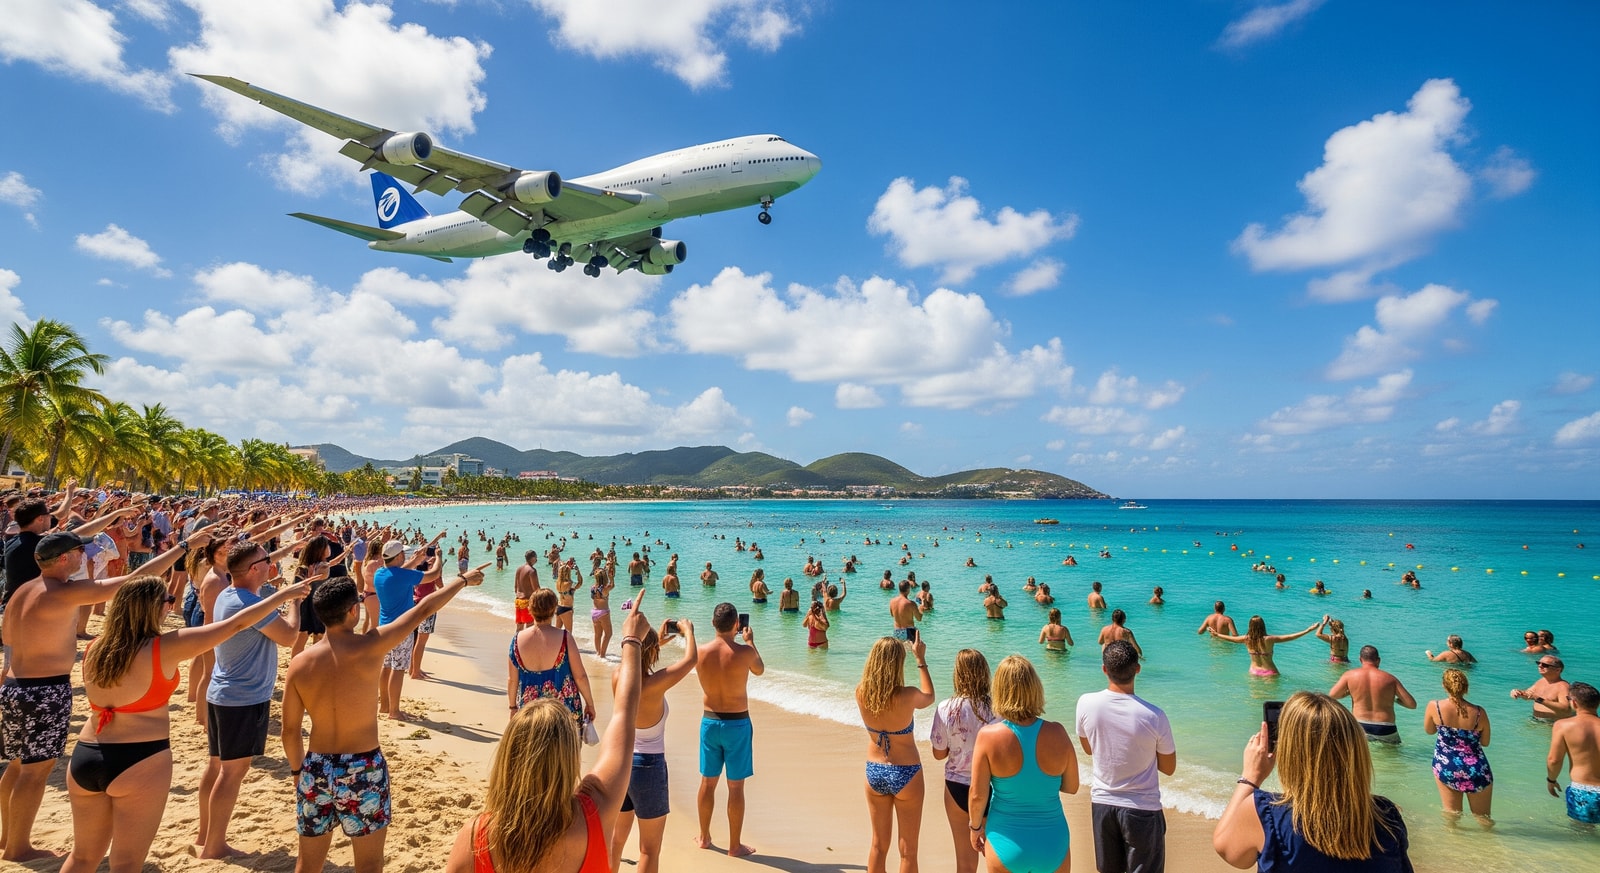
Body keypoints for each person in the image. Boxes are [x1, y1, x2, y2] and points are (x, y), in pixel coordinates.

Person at [59, 572, 304, 873]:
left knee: (82, 857)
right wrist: (283, 596)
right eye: (168, 600)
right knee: (126, 862)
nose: (171, 605)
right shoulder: (165, 647)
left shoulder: (97, 647)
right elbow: (236, 624)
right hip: (139, 759)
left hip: (86, 754)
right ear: (151, 607)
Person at [1, 528, 195, 863]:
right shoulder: (61, 592)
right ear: (65, 559)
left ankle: (7, 837)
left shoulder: (22, 591)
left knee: (15, 766)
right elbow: (136, 579)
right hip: (44, 689)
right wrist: (184, 546)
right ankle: (18, 846)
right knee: (35, 771)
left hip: (13, 686)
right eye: (80, 552)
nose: (84, 557)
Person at [286, 567, 484, 873]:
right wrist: (463, 580)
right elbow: (424, 608)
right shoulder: (370, 645)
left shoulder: (299, 664)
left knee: (308, 864)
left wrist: (300, 771)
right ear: (354, 610)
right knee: (368, 864)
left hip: (316, 767)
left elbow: (289, 731)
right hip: (363, 768)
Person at [446, 600, 651, 873]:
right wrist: (632, 641)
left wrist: (512, 707)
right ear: (568, 754)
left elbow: (512, 680)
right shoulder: (595, 815)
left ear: (510, 754)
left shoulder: (475, 838)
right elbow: (625, 713)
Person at [1213, 691, 1412, 870]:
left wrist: (1250, 777)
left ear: (1290, 751)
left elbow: (1227, 850)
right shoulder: (1386, 814)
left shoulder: (1267, 813)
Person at [194, 540, 305, 859]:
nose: (271, 563)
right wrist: (295, 603)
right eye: (266, 560)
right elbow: (288, 637)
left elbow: (266, 613)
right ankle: (214, 846)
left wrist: (285, 594)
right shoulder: (244, 601)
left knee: (217, 766)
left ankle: (205, 836)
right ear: (255, 569)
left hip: (224, 693)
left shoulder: (230, 593)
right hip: (242, 699)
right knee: (231, 774)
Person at [1075, 640, 1177, 873]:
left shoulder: (1085, 703)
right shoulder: (1154, 715)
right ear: (1138, 669)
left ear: (1104, 669)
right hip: (1142, 808)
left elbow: (1089, 748)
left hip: (1102, 803)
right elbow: (1168, 767)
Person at [969, 655, 1076, 873]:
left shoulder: (988, 737)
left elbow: (977, 795)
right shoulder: (1058, 732)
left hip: (1005, 842)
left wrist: (975, 827)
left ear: (999, 690)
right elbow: (1071, 787)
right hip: (1052, 843)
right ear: (1035, 688)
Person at [610, 614, 696, 873]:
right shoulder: (655, 683)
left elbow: (634, 658)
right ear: (652, 652)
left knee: (616, 841)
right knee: (649, 849)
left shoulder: (618, 676)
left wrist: (655, 641)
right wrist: (687, 630)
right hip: (649, 767)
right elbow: (691, 659)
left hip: (621, 762)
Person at [857, 636, 935, 873]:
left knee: (878, 845)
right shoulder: (908, 695)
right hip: (906, 772)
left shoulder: (861, 693)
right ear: (898, 664)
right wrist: (920, 660)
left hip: (875, 771)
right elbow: (929, 696)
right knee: (908, 850)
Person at [695, 602, 764, 857]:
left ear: (713, 624)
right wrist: (751, 641)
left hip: (710, 722)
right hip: (737, 724)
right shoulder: (745, 652)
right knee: (735, 788)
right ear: (737, 625)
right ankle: (734, 846)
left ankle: (704, 837)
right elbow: (760, 669)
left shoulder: (700, 652)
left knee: (707, 782)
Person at [931, 649, 998, 873]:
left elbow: (939, 753)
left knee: (965, 864)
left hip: (956, 785)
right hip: (991, 788)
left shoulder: (945, 708)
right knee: (994, 859)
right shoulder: (996, 709)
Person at [371, 532, 447, 721]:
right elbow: (433, 574)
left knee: (387, 665)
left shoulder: (380, 573)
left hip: (384, 627)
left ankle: (385, 706)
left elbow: (398, 572)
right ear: (397, 557)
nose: (405, 557)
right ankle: (394, 711)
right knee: (398, 669)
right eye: (403, 555)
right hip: (401, 628)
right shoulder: (402, 575)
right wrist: (438, 557)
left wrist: (415, 560)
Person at [509, 589, 595, 725]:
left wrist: (513, 707)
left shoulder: (517, 640)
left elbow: (513, 680)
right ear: (554, 609)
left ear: (530, 609)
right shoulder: (565, 638)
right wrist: (590, 704)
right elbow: (580, 677)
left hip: (530, 711)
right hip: (562, 711)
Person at [1423, 668, 1493, 827]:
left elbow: (1429, 730)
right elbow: (1485, 742)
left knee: (1452, 814)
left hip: (1447, 765)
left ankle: (1453, 846)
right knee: (1483, 818)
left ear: (1444, 686)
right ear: (1466, 687)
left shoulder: (1435, 706)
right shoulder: (1480, 712)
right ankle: (1490, 846)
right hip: (1476, 768)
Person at [1330, 646, 1418, 743]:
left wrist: (1350, 692)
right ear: (1378, 660)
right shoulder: (1390, 679)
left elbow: (1332, 695)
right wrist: (1395, 699)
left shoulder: (1350, 675)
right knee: (1391, 758)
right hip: (1385, 727)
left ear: (1360, 659)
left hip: (1360, 725)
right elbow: (1412, 705)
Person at [1547, 681, 1600, 826]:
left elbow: (1554, 760)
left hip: (1583, 791)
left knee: (1582, 836)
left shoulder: (1563, 725)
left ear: (1574, 703)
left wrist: (1551, 780)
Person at [1210, 614, 1323, 677]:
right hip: (1270, 672)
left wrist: (1216, 634)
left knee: (1254, 703)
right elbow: (1290, 637)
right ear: (1263, 626)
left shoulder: (1246, 639)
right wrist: (1308, 630)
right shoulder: (1269, 639)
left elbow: (1231, 639)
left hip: (1254, 672)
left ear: (1250, 626)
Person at [1512, 655, 1574, 721]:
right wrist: (1518, 692)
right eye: (1538, 663)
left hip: (1553, 723)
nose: (1540, 666)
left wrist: (1539, 699)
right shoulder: (1541, 681)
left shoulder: (1563, 686)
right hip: (1536, 721)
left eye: (1545, 665)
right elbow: (1528, 695)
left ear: (1557, 670)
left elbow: (1566, 709)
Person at [590, 567, 614, 658]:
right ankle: (602, 655)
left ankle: (598, 652)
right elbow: (612, 585)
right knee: (608, 634)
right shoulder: (605, 589)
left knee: (597, 635)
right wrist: (611, 577)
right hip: (603, 613)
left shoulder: (593, 588)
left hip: (594, 612)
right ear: (605, 578)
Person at [514, 549, 540, 631]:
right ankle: (527, 643)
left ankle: (516, 643)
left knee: (519, 627)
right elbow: (536, 590)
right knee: (530, 627)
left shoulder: (519, 569)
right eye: (536, 557)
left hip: (518, 601)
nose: (537, 559)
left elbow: (515, 587)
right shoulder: (532, 571)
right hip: (527, 602)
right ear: (532, 558)